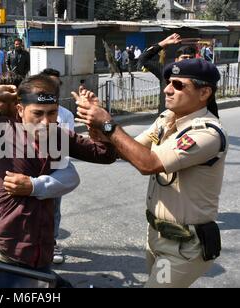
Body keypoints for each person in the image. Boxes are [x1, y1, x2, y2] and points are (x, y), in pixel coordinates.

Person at [0, 74, 118, 288]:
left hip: (40, 257)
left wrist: (97, 122)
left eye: (52, 113)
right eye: (37, 113)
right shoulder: (0, 130)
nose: (45, 122)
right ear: (20, 110)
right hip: (1, 255)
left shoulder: (58, 136)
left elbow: (105, 154)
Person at [76, 59, 228, 288]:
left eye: (178, 85)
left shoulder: (207, 133)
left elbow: (148, 163)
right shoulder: (166, 119)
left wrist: (108, 123)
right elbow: (126, 150)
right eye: (168, 82)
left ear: (204, 92)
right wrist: (95, 123)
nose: (167, 89)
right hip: (157, 237)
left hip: (183, 247)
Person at [40, 68, 75, 264]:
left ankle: (51, 243)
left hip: (56, 168)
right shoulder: (30, 109)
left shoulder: (66, 115)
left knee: (53, 208)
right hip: (32, 167)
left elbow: (65, 142)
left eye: (55, 86)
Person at [138, 33, 197, 114]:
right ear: (176, 60)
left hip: (189, 119)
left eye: (191, 58)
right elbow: (143, 59)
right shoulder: (166, 71)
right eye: (184, 57)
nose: (187, 60)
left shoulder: (198, 75)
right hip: (166, 118)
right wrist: (165, 42)